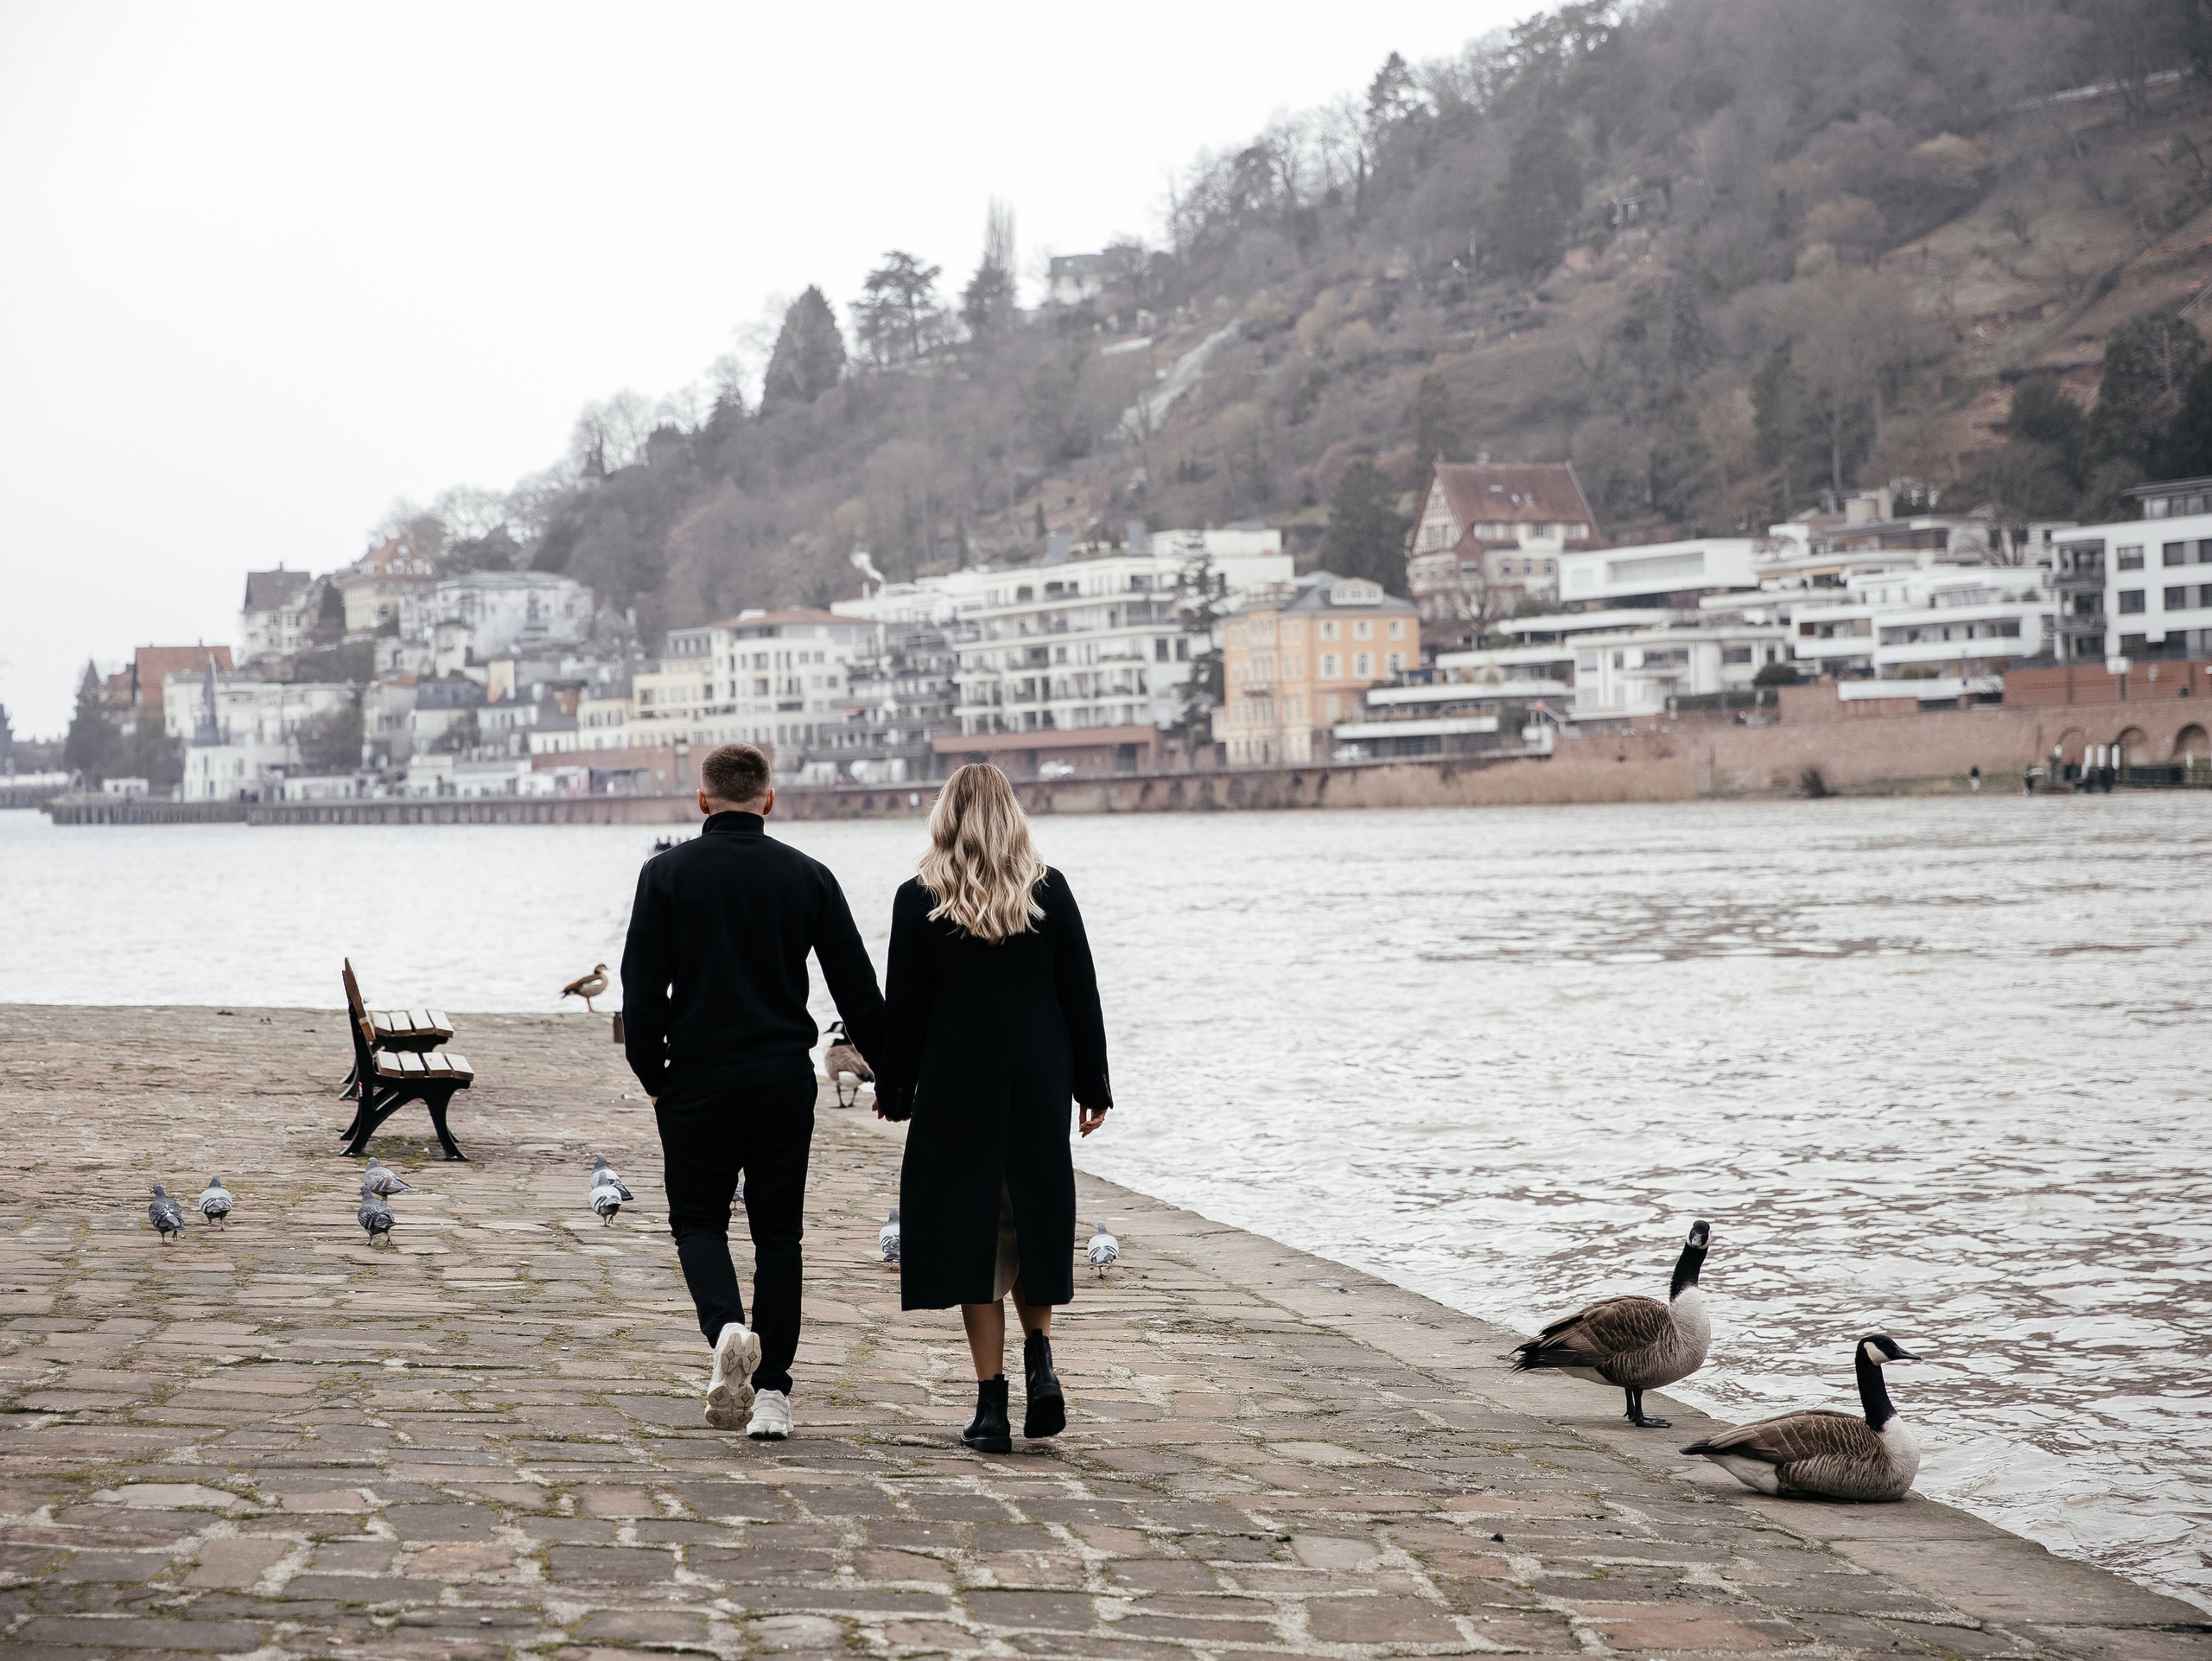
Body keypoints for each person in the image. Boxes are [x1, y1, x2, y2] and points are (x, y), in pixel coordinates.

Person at [620, 741, 887, 1441]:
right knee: (779, 1237)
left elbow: (642, 992)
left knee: (699, 1223)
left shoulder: (665, 875)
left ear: (702, 800)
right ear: (769, 799)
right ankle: (772, 1395)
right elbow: (857, 989)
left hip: (698, 1081)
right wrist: (894, 1074)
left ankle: (726, 1330)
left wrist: (655, 1077)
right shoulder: (809, 877)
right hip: (778, 1081)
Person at [874, 763, 1110, 1453]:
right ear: (1012, 815)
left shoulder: (918, 897)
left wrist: (894, 1088)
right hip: (1037, 1076)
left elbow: (906, 1008)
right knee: (1032, 1214)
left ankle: (991, 1408)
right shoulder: (1049, 890)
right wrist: (1092, 1087)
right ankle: (1041, 1360)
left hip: (957, 1081)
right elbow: (1080, 995)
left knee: (972, 1230)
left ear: (945, 817)